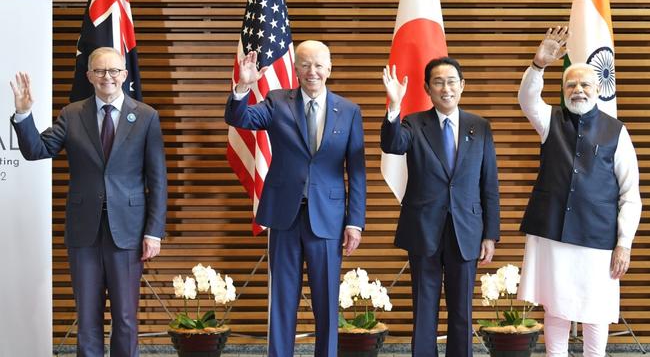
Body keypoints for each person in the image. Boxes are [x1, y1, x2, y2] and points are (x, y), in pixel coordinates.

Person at [10, 47, 167, 357]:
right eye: (99, 71)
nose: (106, 77)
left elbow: (157, 178)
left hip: (128, 233)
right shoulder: (72, 114)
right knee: (88, 319)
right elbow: (36, 150)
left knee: (124, 319)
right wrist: (24, 114)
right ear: (89, 76)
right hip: (84, 233)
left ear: (124, 75)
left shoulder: (147, 116)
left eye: (113, 71)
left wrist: (154, 231)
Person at [224, 40, 366, 357]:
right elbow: (239, 119)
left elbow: (356, 172)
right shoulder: (276, 102)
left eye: (318, 64)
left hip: (328, 218)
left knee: (327, 301)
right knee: (283, 299)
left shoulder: (349, 111)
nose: (312, 71)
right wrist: (242, 88)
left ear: (329, 68)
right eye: (305, 64)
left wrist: (355, 222)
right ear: (296, 68)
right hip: (284, 215)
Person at [517, 26, 642, 357]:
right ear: (563, 90)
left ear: (598, 89)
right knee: (555, 308)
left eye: (585, 84)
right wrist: (538, 65)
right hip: (554, 233)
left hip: (598, 237)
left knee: (596, 309)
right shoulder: (550, 120)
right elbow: (527, 100)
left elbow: (630, 193)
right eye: (570, 84)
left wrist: (624, 244)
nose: (578, 90)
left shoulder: (617, 132)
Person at [381, 57, 500, 357]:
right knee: (424, 308)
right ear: (427, 88)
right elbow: (393, 144)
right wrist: (394, 107)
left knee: (462, 310)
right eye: (438, 82)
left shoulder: (480, 126)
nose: (445, 88)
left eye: (451, 82)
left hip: (467, 230)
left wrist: (490, 234)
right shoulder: (413, 123)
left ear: (462, 86)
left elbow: (489, 184)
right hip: (424, 229)